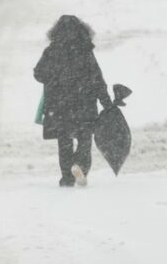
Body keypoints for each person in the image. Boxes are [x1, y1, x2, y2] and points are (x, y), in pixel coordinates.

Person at [33, 15, 112, 187]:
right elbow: (97, 78)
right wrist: (106, 102)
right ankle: (80, 166)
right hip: (84, 103)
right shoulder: (85, 50)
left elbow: (38, 73)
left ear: (56, 31)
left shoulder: (52, 51)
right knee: (85, 139)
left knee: (64, 142)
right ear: (81, 30)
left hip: (59, 105)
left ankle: (67, 177)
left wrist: (54, 78)